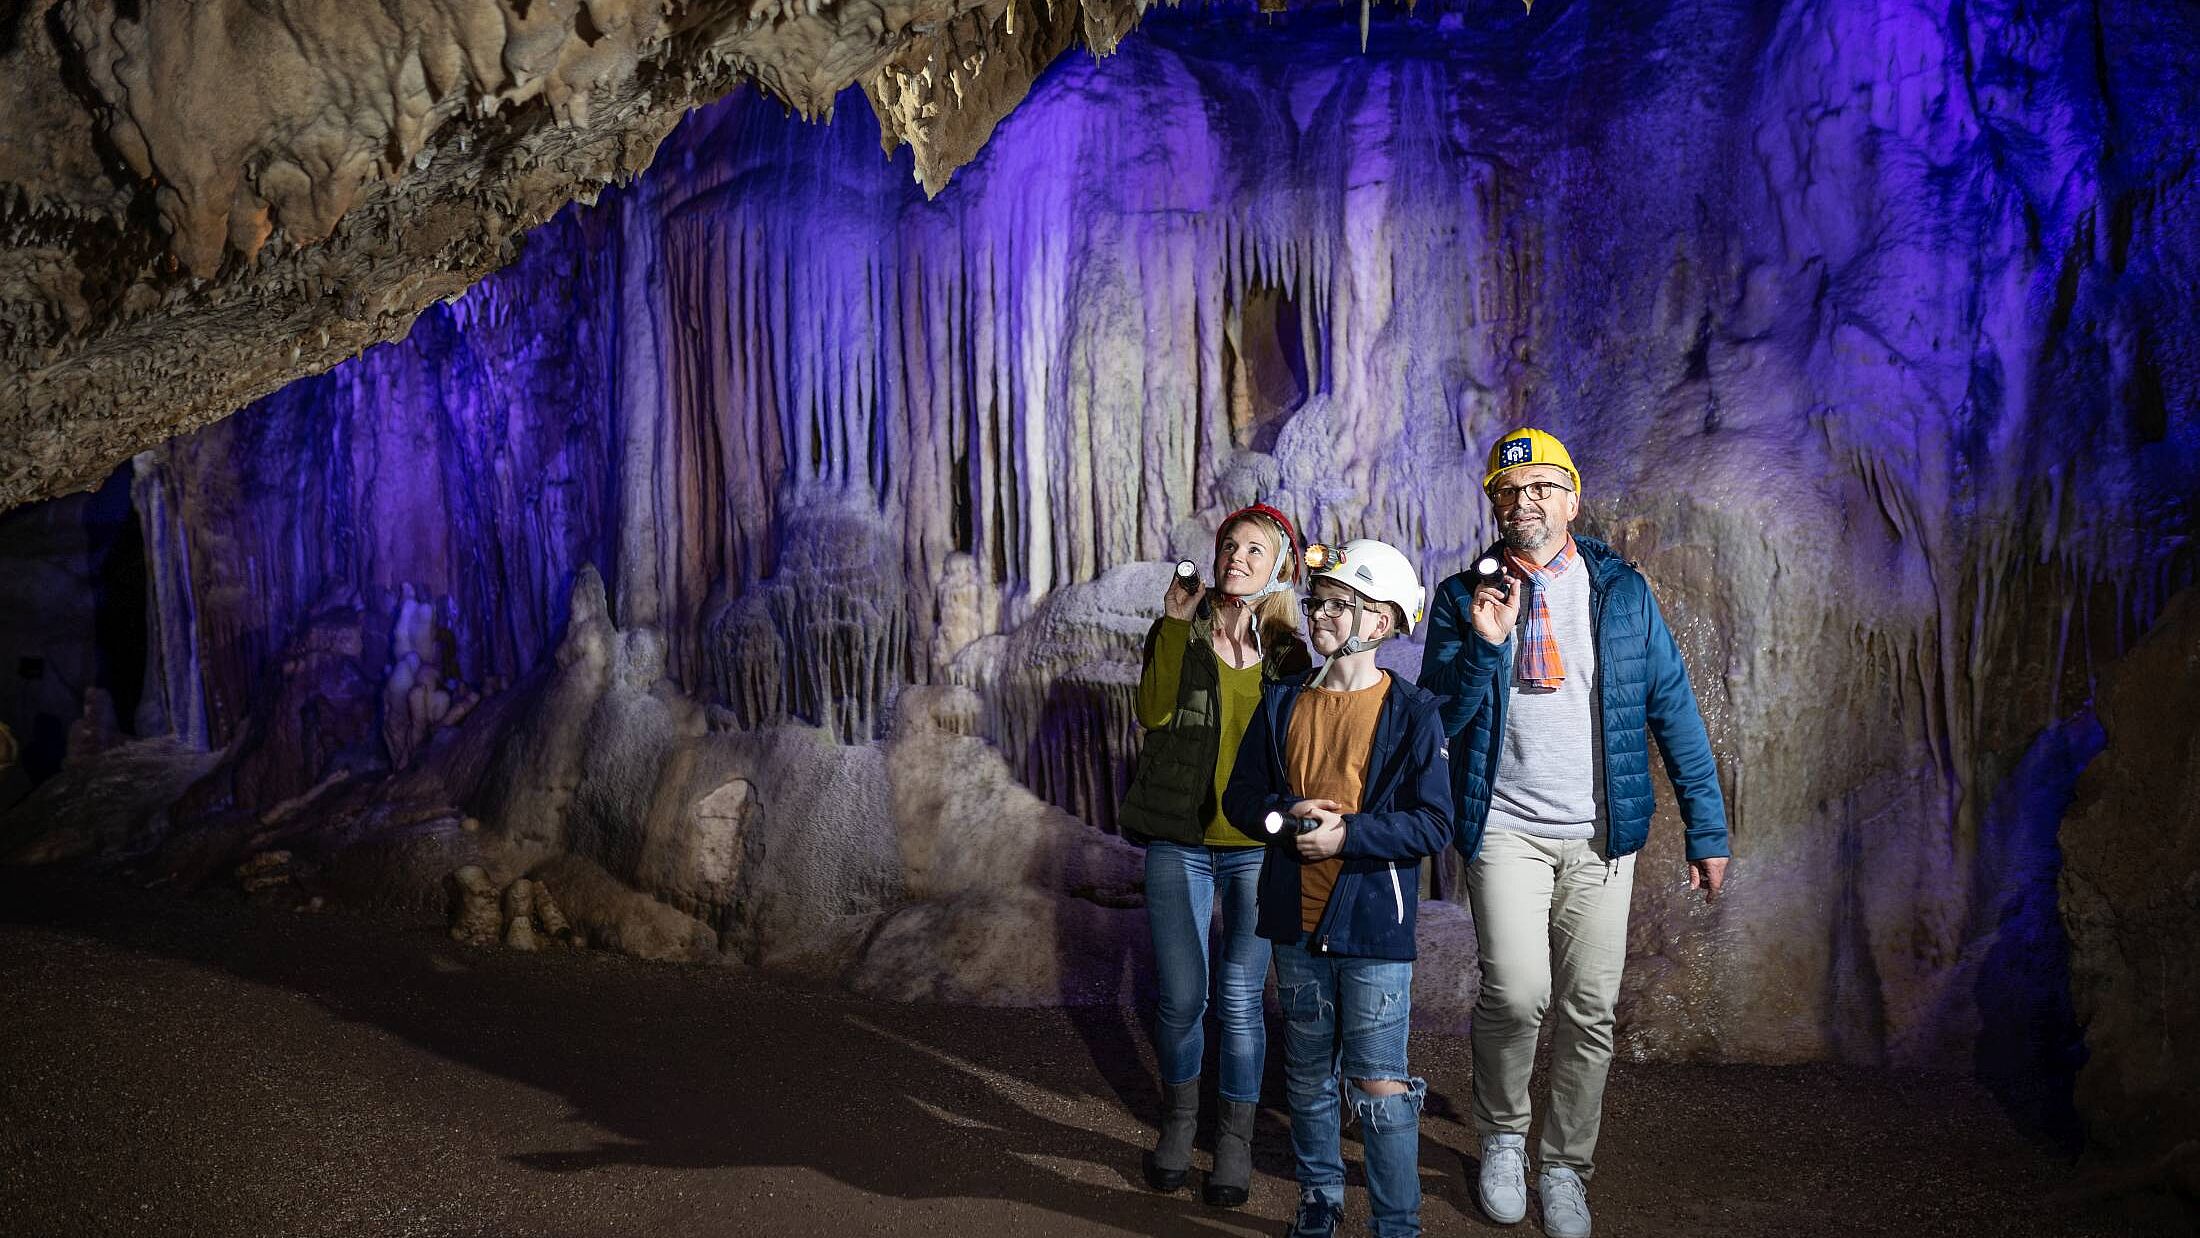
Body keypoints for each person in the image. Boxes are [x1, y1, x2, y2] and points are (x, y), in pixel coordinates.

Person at [1418, 428, 1731, 1238]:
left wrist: (1707, 827)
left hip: (1600, 835)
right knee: (1517, 994)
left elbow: (1672, 705)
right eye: (1508, 491)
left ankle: (1564, 1166)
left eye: (1541, 487)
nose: (1524, 501)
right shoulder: (1462, 596)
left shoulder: (1621, 592)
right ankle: (1502, 1137)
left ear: (1572, 498)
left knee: (1590, 1008)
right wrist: (1485, 647)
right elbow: (1438, 718)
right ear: (1494, 505)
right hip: (1505, 828)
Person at [1223, 539, 1453, 1238]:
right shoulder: (1281, 702)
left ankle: (1396, 1224)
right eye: (1316, 601)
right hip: (1295, 921)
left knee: (1379, 1084)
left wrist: (1347, 836)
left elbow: (1434, 822)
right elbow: (1242, 800)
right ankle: (1319, 1199)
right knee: (1307, 1075)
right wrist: (1283, 815)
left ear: (1380, 622)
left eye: (1336, 604)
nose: (1317, 614)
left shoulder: (1412, 713)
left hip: (1373, 926)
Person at [1120, 503, 1311, 1207]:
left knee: (1239, 997)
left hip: (1254, 846)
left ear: (1279, 568)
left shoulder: (1290, 655)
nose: (1236, 557)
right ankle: (1179, 1122)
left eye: (1254, 550)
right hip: (1182, 839)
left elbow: (1301, 746)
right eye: (1230, 545)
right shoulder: (1180, 631)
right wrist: (1174, 623)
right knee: (1182, 997)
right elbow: (1151, 712)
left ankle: (1233, 1139)